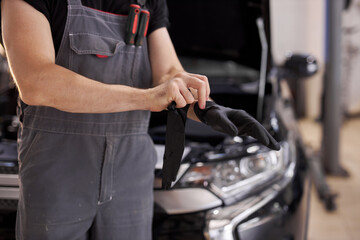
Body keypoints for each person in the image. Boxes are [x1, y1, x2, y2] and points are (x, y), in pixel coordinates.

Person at [1, 0, 279, 239]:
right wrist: (147, 98)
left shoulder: (147, 1)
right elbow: (36, 80)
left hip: (131, 171)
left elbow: (168, 71)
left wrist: (204, 107)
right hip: (57, 169)